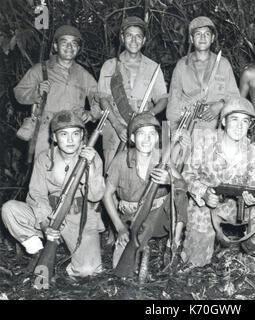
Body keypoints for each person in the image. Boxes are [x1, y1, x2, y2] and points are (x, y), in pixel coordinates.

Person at [1, 110, 105, 278]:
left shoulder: (92, 157)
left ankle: (71, 256)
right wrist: (45, 225)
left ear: (82, 137)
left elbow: (96, 196)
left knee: (88, 270)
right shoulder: (44, 158)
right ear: (55, 138)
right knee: (9, 209)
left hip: (79, 217)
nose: (70, 140)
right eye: (64, 134)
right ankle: (38, 252)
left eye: (75, 134)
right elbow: (37, 195)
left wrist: (91, 167)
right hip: (50, 214)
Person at [181, 97, 255, 268]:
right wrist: (204, 192)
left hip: (237, 206)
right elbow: (187, 175)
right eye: (234, 119)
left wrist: (252, 199)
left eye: (245, 121)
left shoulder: (252, 151)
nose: (240, 126)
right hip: (205, 205)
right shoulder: (205, 142)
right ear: (223, 121)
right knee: (195, 262)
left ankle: (248, 256)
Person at [103, 112, 187, 269]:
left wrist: (170, 181)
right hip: (132, 216)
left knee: (179, 191)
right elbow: (107, 195)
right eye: (141, 134)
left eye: (151, 134)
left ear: (157, 138)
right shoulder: (121, 159)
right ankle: (136, 245)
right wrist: (120, 228)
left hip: (159, 215)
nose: (147, 139)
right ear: (133, 138)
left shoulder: (163, 157)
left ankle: (174, 241)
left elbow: (183, 185)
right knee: (121, 267)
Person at [14, 25, 100, 157]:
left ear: (78, 49)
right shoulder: (40, 70)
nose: (69, 47)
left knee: (72, 174)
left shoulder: (84, 75)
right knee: (43, 170)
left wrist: (91, 114)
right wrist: (36, 93)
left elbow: (100, 99)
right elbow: (19, 93)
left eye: (74, 44)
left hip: (73, 131)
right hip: (46, 131)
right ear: (55, 46)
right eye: (64, 42)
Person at [97, 16, 168, 170]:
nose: (134, 40)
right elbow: (103, 99)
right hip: (116, 127)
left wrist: (150, 114)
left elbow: (163, 99)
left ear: (144, 41)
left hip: (144, 128)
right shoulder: (110, 66)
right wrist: (117, 126)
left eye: (138, 36)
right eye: (129, 35)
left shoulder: (153, 67)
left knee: (142, 171)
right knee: (112, 171)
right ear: (122, 38)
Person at [166, 16, 240, 133]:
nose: (202, 38)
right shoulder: (182, 65)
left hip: (216, 127)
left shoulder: (223, 64)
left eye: (207, 34)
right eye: (198, 34)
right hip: (187, 125)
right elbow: (173, 101)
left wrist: (220, 105)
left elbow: (235, 97)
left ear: (212, 38)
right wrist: (175, 131)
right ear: (191, 38)